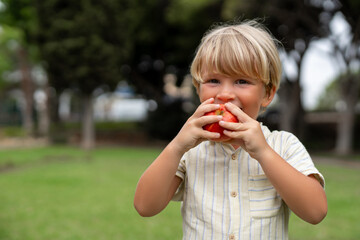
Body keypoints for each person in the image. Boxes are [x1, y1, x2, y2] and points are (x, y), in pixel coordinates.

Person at [134, 19, 327, 240]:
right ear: (198, 90)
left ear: (267, 94)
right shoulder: (190, 150)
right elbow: (145, 206)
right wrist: (177, 146)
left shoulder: (283, 145)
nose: (225, 93)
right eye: (214, 80)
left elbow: (316, 212)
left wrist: (263, 153)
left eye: (242, 81)